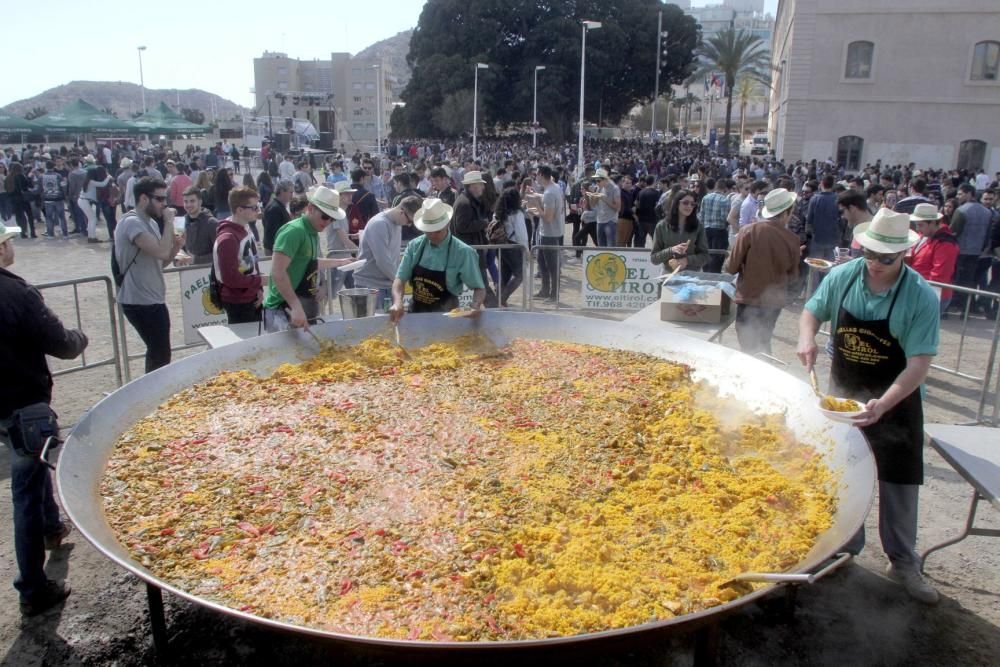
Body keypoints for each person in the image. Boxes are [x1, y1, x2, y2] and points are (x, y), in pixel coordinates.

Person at [797, 207, 940, 605]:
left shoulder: (920, 297)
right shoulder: (844, 276)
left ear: (904, 255)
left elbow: (919, 364)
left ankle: (903, 561)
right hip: (845, 396)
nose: (875, 264)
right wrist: (806, 337)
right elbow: (812, 311)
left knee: (898, 483)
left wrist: (884, 404)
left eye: (886, 259)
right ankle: (844, 551)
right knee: (847, 479)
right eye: (870, 254)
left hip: (897, 402)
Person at [0, 220, 86, 616]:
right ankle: (32, 588)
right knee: (27, 492)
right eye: (6, 241)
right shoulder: (15, 292)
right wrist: (80, 337)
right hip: (25, 404)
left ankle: (53, 530)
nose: (10, 247)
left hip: (4, 411)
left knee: (33, 470)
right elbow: (61, 344)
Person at [114, 177, 185, 373]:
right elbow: (161, 252)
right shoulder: (131, 222)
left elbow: (160, 262)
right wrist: (169, 223)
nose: (165, 204)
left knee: (160, 352)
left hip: (152, 298)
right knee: (159, 353)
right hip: (139, 300)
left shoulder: (150, 223)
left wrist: (176, 247)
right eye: (160, 199)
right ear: (144, 198)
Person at [262, 185, 354, 332]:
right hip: (282, 309)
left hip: (300, 305)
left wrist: (340, 262)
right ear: (310, 208)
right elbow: (278, 272)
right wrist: (295, 306)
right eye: (325, 216)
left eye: (331, 218)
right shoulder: (294, 231)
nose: (328, 222)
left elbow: (308, 263)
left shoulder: (312, 232)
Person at [725, 188, 802, 355]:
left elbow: (730, 268)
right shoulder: (793, 240)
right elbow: (793, 276)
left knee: (747, 346)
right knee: (764, 341)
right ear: (786, 213)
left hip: (748, 298)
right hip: (773, 301)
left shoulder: (748, 231)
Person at [389, 198, 486, 320]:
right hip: (416, 317)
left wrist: (475, 305)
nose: (432, 236)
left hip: (448, 320)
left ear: (447, 224)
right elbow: (399, 280)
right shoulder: (414, 246)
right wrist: (397, 302)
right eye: (428, 232)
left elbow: (479, 288)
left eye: (437, 231)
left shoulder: (463, 252)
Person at [354, 196, 422, 308]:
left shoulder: (397, 223)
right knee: (373, 325)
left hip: (387, 285)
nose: (409, 225)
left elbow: (392, 257)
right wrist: (400, 282)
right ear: (401, 212)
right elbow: (383, 261)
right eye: (409, 221)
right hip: (371, 286)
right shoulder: (379, 224)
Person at [214, 186, 263, 324]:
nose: (258, 211)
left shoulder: (245, 228)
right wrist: (259, 281)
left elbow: (252, 261)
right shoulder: (228, 238)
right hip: (237, 300)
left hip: (250, 294)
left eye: (258, 206)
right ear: (239, 210)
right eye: (254, 207)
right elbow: (230, 278)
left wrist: (258, 288)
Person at [451, 171, 497, 306]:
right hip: (470, 251)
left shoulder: (468, 201)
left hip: (472, 250)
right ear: (472, 186)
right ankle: (495, 312)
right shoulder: (464, 203)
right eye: (480, 185)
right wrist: (483, 223)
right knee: (482, 286)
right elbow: (462, 227)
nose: (482, 188)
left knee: (480, 286)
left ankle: (493, 310)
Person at [907, 203, 958, 315]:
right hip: (920, 290)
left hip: (932, 293)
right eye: (916, 225)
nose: (917, 228)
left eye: (920, 225)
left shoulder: (945, 243)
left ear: (934, 223)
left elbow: (940, 274)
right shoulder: (924, 236)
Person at [950, 184, 993, 313]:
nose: (958, 197)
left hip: (961, 251)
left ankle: (954, 305)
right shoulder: (987, 212)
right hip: (976, 252)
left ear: (969, 193)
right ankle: (965, 309)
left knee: (956, 279)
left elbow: (954, 232)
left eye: (960, 194)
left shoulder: (962, 211)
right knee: (969, 281)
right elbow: (988, 234)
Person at [650, 189, 709, 275]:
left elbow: (705, 256)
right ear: (677, 203)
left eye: (692, 204)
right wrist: (671, 250)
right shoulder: (661, 226)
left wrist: (687, 260)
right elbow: (654, 259)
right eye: (685, 202)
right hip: (668, 276)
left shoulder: (698, 226)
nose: (689, 206)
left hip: (692, 277)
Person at [534, 165, 566, 302]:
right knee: (542, 262)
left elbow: (548, 217)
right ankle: (545, 290)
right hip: (548, 232)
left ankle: (554, 294)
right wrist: (536, 196)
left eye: (536, 174)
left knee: (552, 266)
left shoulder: (550, 193)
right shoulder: (554, 187)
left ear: (541, 174)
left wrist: (535, 207)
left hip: (550, 234)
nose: (535, 177)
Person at [495, 187, 529, 307]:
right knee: (520, 274)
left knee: (504, 275)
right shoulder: (517, 213)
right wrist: (526, 250)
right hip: (514, 246)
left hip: (501, 245)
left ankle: (497, 299)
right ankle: (503, 298)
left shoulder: (498, 213)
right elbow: (521, 234)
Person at [806, 174, 841, 261]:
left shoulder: (814, 199)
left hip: (817, 236)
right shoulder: (838, 199)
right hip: (832, 237)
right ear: (833, 185)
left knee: (815, 263)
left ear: (821, 183)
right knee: (830, 263)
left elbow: (809, 219)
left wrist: (809, 233)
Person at [699, 178, 731, 273]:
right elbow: (724, 217)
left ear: (716, 186)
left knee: (707, 252)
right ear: (724, 188)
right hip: (719, 230)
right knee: (717, 255)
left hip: (706, 229)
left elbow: (701, 214)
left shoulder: (706, 197)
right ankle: (714, 274)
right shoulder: (724, 200)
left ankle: (706, 271)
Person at [180, 186, 218, 266]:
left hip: (209, 273)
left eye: (192, 201)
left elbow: (221, 253)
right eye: (185, 201)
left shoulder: (212, 223)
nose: (188, 204)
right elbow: (178, 249)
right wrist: (179, 258)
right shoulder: (180, 222)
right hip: (187, 273)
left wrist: (196, 260)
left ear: (200, 202)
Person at [262, 180, 293, 254]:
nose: (292, 195)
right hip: (275, 249)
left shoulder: (278, 205)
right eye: (290, 192)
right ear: (282, 191)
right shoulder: (275, 208)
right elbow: (272, 233)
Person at [592, 168, 621, 247]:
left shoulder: (614, 188)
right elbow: (593, 205)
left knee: (611, 249)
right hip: (599, 221)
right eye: (595, 181)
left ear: (605, 179)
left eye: (598, 181)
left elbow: (618, 208)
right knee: (601, 248)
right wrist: (595, 195)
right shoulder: (598, 188)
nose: (597, 183)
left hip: (610, 222)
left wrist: (605, 199)